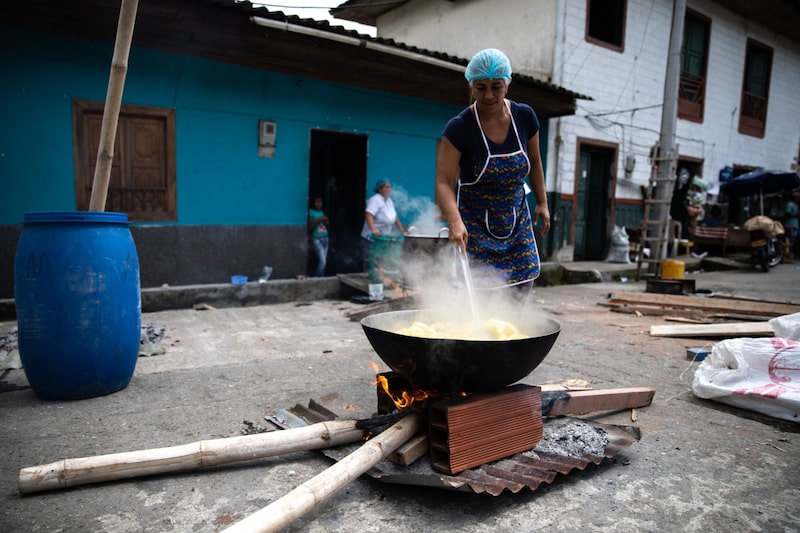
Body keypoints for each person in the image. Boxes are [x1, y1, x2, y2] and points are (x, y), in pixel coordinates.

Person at [435, 48, 550, 293]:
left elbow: (535, 160)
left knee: (522, 287)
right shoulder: (459, 128)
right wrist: (454, 220)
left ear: (507, 84)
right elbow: (443, 181)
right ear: (471, 86)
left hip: (517, 221)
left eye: (496, 87)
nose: (488, 95)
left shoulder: (525, 117)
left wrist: (542, 202)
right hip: (475, 225)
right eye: (480, 87)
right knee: (482, 296)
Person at [360, 180, 406, 270]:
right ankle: (370, 280)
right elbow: (368, 214)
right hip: (372, 238)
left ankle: (381, 279)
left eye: (390, 187)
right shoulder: (375, 200)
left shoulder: (389, 200)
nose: (389, 189)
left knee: (382, 261)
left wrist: (402, 231)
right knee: (371, 261)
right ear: (380, 189)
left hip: (383, 238)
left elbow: (395, 217)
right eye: (387, 187)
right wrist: (373, 229)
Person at [308, 197, 329, 277]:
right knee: (323, 261)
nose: (319, 204)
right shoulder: (311, 212)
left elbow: (326, 224)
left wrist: (326, 220)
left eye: (320, 202)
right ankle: (318, 278)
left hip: (325, 238)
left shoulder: (321, 212)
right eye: (317, 201)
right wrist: (319, 219)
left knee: (323, 261)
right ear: (313, 203)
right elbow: (310, 227)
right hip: (317, 239)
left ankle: (321, 277)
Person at [783, 191, 798, 260]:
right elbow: (787, 214)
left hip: (795, 225)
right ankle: (787, 255)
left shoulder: (796, 205)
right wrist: (796, 215)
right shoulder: (790, 204)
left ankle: (790, 255)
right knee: (789, 241)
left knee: (793, 240)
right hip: (790, 225)